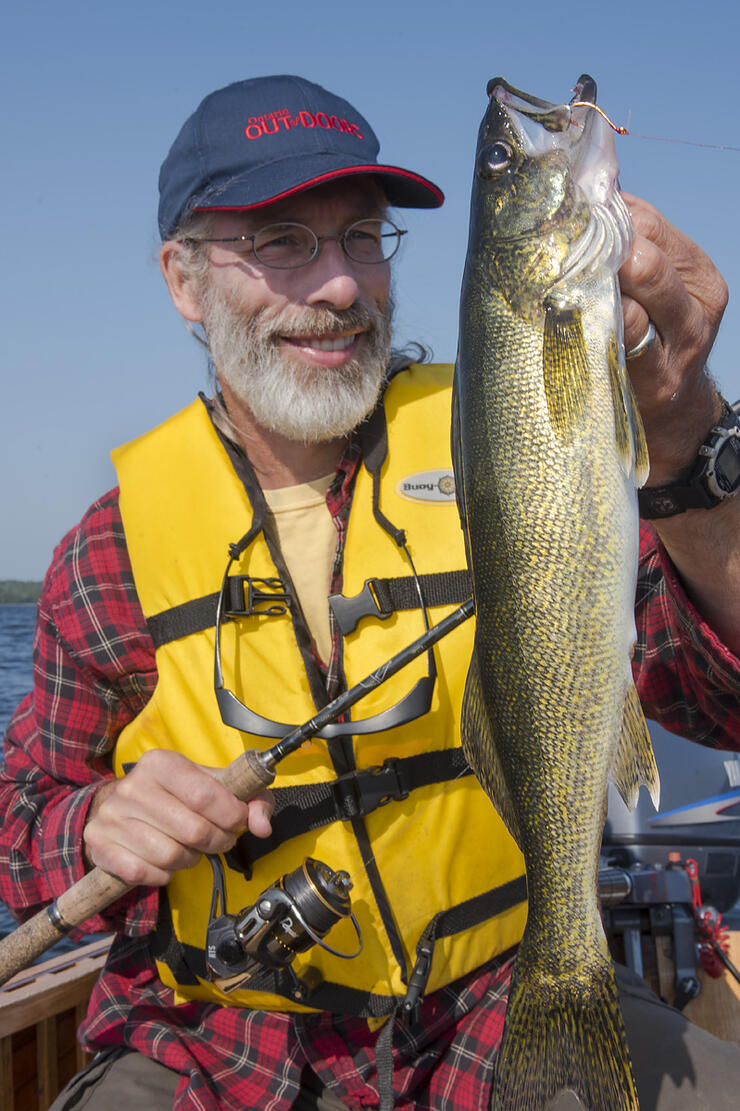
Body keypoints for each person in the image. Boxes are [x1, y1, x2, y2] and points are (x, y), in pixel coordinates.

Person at [1, 74, 739, 1111]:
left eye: (361, 237)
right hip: (218, 1049)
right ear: (182, 277)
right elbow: (18, 822)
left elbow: (718, 701)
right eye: (283, 243)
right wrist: (96, 824)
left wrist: (685, 430)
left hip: (498, 991)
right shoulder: (106, 556)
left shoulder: (509, 439)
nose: (341, 287)